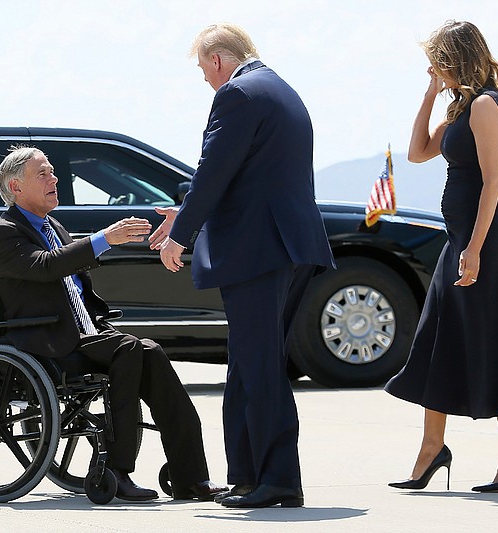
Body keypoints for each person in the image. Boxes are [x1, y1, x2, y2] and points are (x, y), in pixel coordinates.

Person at [149, 23, 335, 508]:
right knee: (251, 364)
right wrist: (189, 210)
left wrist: (180, 232)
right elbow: (247, 175)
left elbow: (215, 170)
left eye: (203, 71)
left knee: (258, 367)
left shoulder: (237, 94)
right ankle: (249, 475)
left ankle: (278, 480)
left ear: (217, 60)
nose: (206, 82)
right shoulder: (280, 88)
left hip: (258, 251)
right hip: (286, 247)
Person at [0, 145, 226, 502]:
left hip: (85, 334)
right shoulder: (4, 233)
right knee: (128, 349)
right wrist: (102, 240)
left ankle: (190, 476)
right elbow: (46, 266)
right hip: (42, 341)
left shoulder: (54, 227)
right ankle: (117, 469)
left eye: (53, 172)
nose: (54, 179)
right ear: (16, 187)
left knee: (151, 352)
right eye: (44, 174)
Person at [384, 20, 498, 493]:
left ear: (456, 56)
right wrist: (429, 91)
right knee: (440, 339)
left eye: (438, 60)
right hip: (461, 240)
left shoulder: (486, 104)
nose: (434, 67)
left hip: (483, 242)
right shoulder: (464, 105)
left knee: (495, 338)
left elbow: (492, 182)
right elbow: (418, 151)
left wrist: (476, 250)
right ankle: (432, 447)